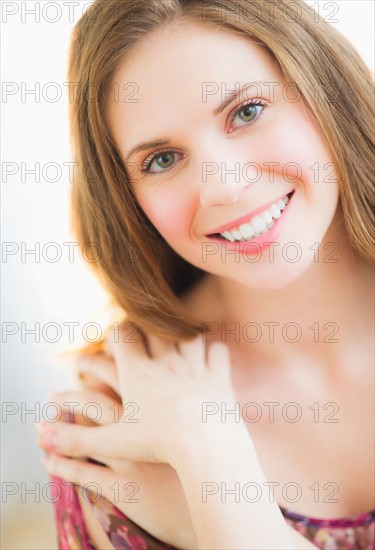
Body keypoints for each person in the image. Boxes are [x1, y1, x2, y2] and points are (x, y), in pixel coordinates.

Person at [36, 0, 375, 548]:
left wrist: (220, 501)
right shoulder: (116, 431)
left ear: (323, 85)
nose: (222, 186)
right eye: (162, 160)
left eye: (246, 111)